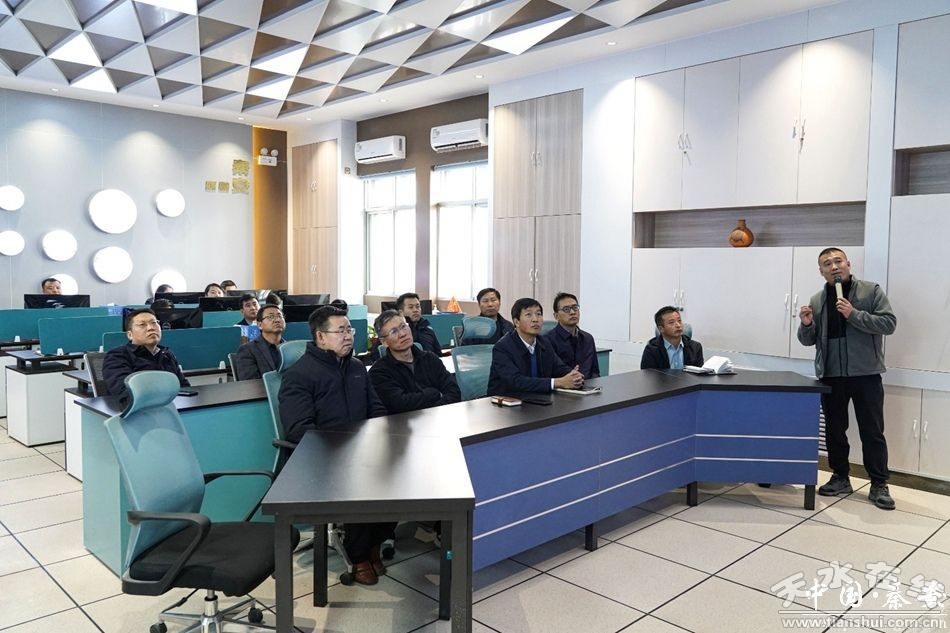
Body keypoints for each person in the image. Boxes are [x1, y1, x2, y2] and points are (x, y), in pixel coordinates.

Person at [278, 305, 391, 584]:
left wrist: (381, 436)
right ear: (320, 336)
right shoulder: (299, 375)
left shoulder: (356, 367)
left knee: (395, 472)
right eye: (340, 331)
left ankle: (375, 543)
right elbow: (298, 430)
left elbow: (376, 408)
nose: (348, 335)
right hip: (321, 458)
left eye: (349, 329)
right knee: (361, 480)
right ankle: (358, 554)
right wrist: (345, 448)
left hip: (362, 450)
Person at [798, 247, 897, 510]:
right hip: (831, 375)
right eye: (827, 264)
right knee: (834, 430)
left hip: (866, 374)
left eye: (838, 261)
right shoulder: (818, 300)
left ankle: (879, 483)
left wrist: (853, 314)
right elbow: (808, 341)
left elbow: (889, 324)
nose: (834, 267)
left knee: (872, 431)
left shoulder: (870, 291)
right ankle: (840, 476)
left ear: (848, 264)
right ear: (821, 271)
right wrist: (806, 324)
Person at [487, 297, 584, 395]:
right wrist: (557, 382)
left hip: (536, 399)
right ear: (516, 322)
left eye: (538, 314)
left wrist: (574, 375)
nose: (535, 319)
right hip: (506, 400)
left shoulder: (544, 342)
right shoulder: (503, 347)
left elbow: (559, 367)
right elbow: (516, 381)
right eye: (528, 315)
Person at [369, 310, 460, 413]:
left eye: (403, 326)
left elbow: (454, 391)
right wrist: (435, 393)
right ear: (384, 342)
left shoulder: (430, 359)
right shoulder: (379, 372)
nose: (402, 334)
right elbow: (400, 404)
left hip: (439, 418)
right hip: (404, 422)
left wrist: (433, 411)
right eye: (394, 332)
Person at [102, 308, 190, 401]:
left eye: (154, 323)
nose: (151, 328)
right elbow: (124, 392)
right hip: (137, 408)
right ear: (130, 335)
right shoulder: (117, 356)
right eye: (142, 325)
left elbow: (184, 387)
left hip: (170, 405)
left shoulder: (166, 354)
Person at [542, 292, 600, 379]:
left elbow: (595, 371)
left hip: (589, 385)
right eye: (566, 309)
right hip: (562, 386)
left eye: (575, 308)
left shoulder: (588, 338)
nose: (572, 312)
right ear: (556, 316)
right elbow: (549, 375)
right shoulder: (547, 340)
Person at [232, 304, 285, 380]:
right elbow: (250, 382)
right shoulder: (247, 350)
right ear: (259, 325)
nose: (277, 320)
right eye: (271, 317)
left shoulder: (291, 348)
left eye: (280, 316)